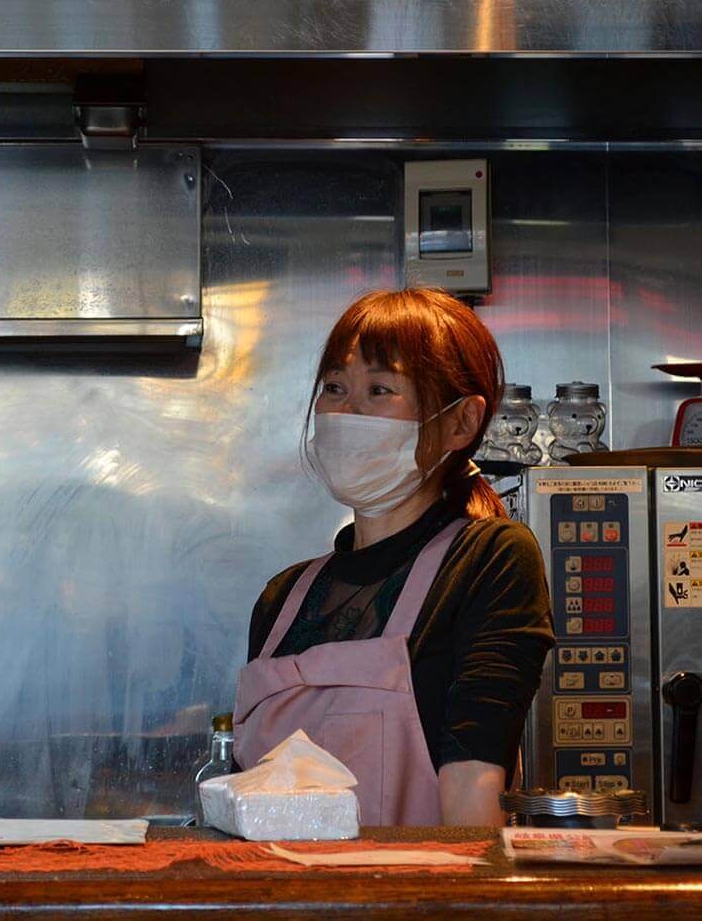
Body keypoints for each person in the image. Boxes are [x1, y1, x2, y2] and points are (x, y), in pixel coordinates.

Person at [233, 288, 554, 826]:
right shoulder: (282, 597)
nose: (346, 412)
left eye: (379, 390)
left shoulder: (489, 559)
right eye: (334, 388)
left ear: (460, 423)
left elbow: (474, 782)